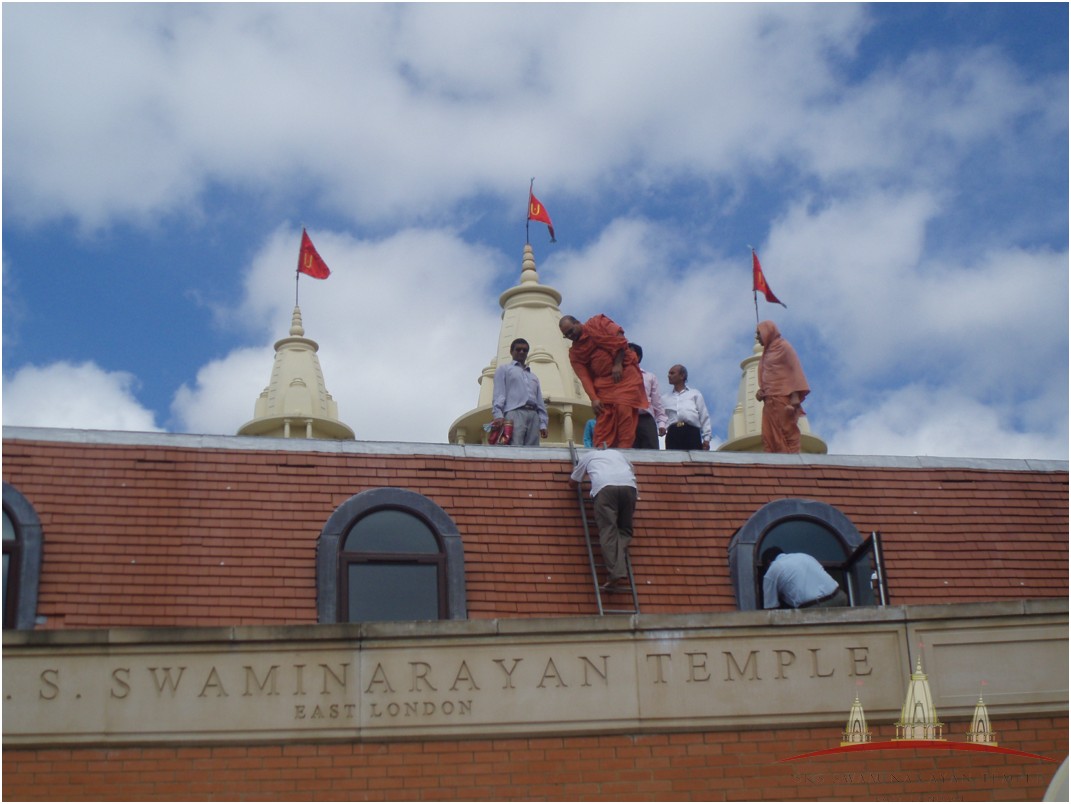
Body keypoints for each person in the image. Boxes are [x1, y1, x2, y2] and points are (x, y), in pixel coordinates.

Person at [559, 315, 648, 449]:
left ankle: (624, 450)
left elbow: (620, 338)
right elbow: (584, 377)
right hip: (603, 384)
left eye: (571, 331)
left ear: (577, 323)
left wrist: (618, 364)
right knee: (603, 420)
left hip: (624, 375)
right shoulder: (575, 353)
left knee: (623, 410)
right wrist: (594, 398)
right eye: (567, 335)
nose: (571, 336)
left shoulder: (597, 323)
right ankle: (601, 452)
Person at [570, 448, 638, 593]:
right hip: (629, 487)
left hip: (605, 488)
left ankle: (616, 572)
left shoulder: (588, 456)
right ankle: (618, 560)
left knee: (608, 531)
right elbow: (632, 469)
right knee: (625, 529)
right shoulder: (618, 454)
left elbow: (573, 482)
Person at [755, 320, 810, 454]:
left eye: (759, 333)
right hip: (768, 401)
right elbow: (766, 377)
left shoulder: (784, 347)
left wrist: (795, 396)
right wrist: (760, 392)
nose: (757, 337)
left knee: (787, 433)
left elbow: (795, 370)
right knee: (769, 436)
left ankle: (792, 464)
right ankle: (775, 467)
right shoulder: (766, 353)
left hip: (783, 398)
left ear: (768, 332)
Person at [491, 338, 548, 446]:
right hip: (514, 412)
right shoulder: (504, 369)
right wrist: (498, 414)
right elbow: (499, 393)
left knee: (533, 451)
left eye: (525, 350)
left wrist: (543, 424)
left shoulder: (533, 376)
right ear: (511, 352)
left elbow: (539, 401)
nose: (521, 352)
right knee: (515, 447)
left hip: (533, 414)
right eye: (518, 349)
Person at [761, 547, 848, 609]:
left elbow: (771, 609)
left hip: (815, 608)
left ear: (768, 562)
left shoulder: (772, 569)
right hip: (840, 597)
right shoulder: (804, 556)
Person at [663, 365, 712, 451]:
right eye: (669, 373)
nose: (669, 375)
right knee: (674, 461)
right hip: (673, 433)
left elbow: (703, 415)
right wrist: (662, 427)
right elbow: (661, 417)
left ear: (682, 376)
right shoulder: (664, 398)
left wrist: (706, 439)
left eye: (672, 373)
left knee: (695, 461)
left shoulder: (694, 394)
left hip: (692, 432)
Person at [629, 343, 667, 450]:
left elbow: (657, 403)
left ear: (638, 356)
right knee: (627, 451)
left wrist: (662, 424)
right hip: (627, 418)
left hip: (645, 418)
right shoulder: (618, 375)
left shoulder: (649, 377)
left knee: (651, 450)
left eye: (630, 352)